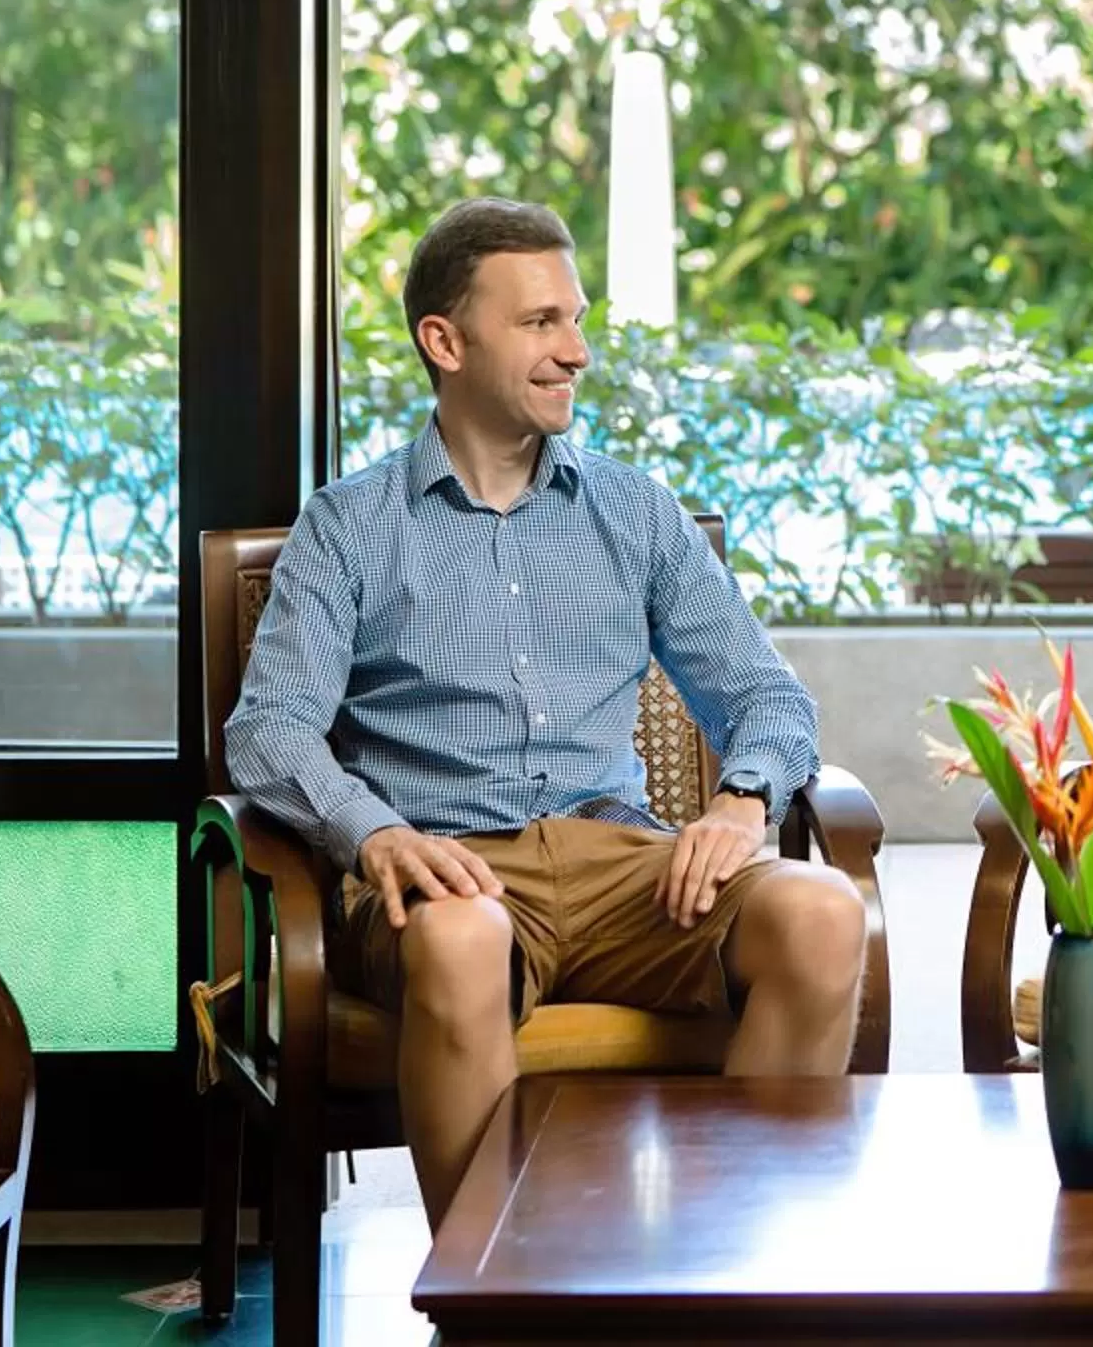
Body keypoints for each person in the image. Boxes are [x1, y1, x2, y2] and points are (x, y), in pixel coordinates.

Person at [225, 198, 866, 1226]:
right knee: (465, 936)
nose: (576, 351)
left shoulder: (636, 509)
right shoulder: (349, 524)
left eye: (576, 319)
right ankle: (490, 1302)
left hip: (624, 867)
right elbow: (270, 730)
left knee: (823, 912)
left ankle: (726, 1285)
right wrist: (373, 832)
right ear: (446, 339)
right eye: (540, 323)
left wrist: (743, 800)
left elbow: (768, 696)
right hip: (449, 870)